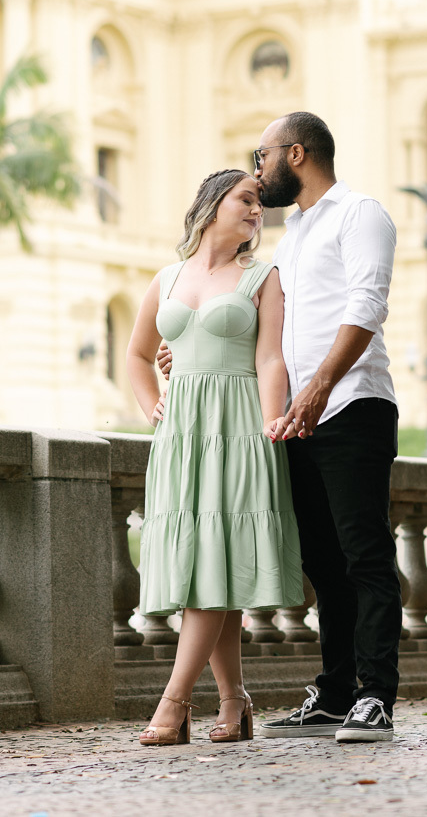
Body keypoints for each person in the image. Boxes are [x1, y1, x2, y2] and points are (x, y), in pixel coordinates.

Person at [159, 113, 402, 742]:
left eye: (261, 157)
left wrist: (320, 385)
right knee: (323, 564)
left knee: (365, 556)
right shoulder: (288, 237)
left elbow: (367, 305)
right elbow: (263, 337)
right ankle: (334, 695)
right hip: (297, 417)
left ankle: (375, 698)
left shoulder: (361, 214)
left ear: (294, 153)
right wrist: (183, 352)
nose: (257, 169)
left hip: (350, 405)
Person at [127, 168, 304, 747]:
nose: (257, 211)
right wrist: (154, 405)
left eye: (259, 204)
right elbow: (137, 354)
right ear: (211, 205)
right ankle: (234, 702)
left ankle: (174, 701)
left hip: (241, 429)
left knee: (214, 570)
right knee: (209, 568)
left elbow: (270, 360)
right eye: (246, 200)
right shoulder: (168, 277)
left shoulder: (263, 276)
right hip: (182, 435)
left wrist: (271, 423)